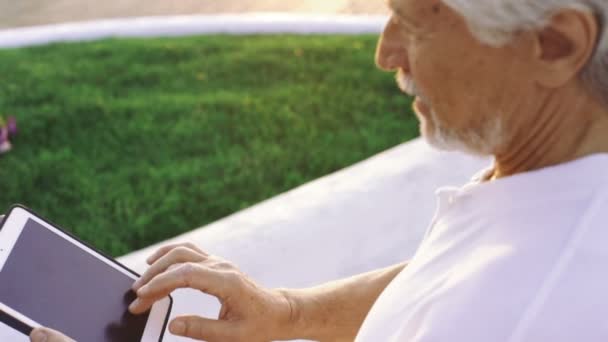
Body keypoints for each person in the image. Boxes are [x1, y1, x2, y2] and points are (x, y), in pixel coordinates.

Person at [27, 0, 608, 340]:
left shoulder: (522, 312)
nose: (386, 53)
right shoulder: (555, 174)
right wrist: (292, 312)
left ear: (555, 44)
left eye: (414, 21)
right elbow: (440, 273)